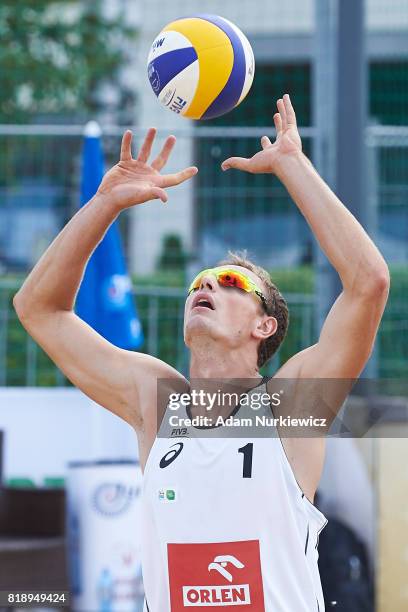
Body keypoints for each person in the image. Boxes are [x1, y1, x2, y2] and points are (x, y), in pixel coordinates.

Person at [13, 95, 389, 611]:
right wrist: (105, 204)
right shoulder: (159, 402)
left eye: (230, 281)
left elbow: (368, 283)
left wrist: (292, 165)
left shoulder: (291, 407)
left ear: (265, 324)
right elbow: (38, 308)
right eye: (197, 282)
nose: (205, 285)